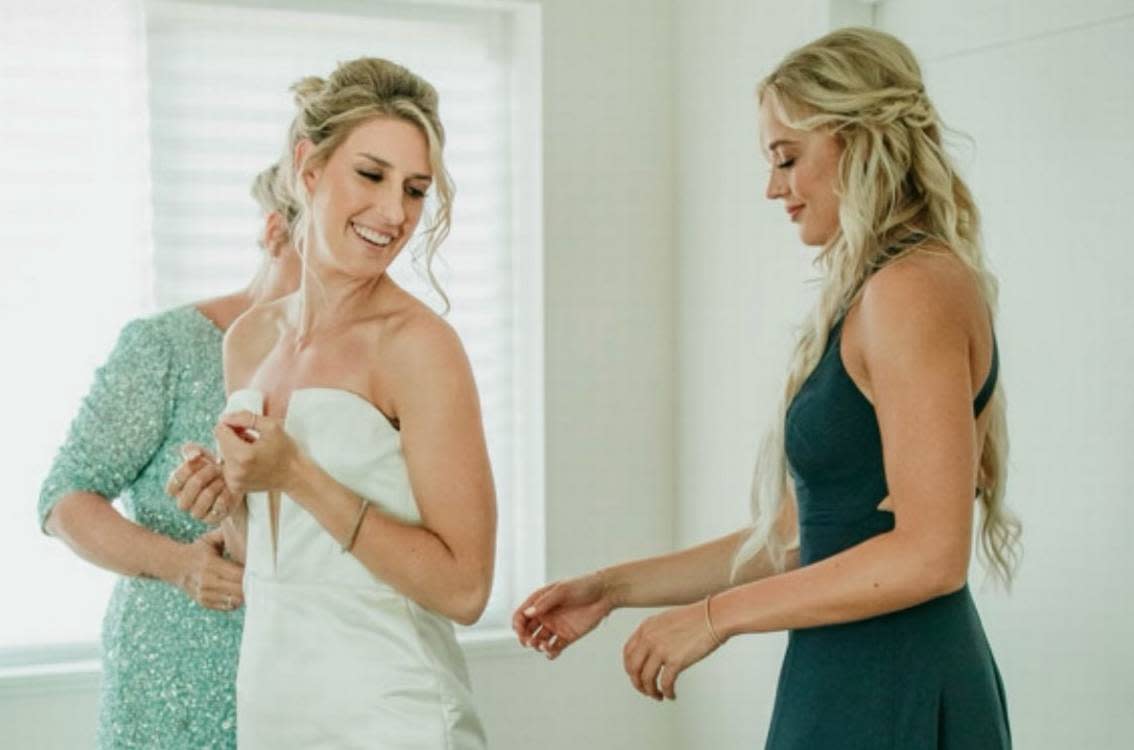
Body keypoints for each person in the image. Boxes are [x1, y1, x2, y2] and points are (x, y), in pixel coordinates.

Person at [513, 27, 1020, 749]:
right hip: (839, 677)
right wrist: (614, 587)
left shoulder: (913, 288)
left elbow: (932, 554)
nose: (773, 186)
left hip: (896, 680)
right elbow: (792, 538)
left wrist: (717, 616)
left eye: (787, 158)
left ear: (858, 139)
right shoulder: (874, 290)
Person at [172, 58, 496, 749]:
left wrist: (298, 476)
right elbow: (272, 559)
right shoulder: (249, 339)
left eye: (415, 190)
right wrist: (224, 497)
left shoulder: (420, 347)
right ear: (308, 167)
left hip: (391, 711)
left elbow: (465, 589)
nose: (395, 214)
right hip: (274, 703)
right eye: (372, 176)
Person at [37, 161, 302, 749]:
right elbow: (64, 499)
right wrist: (181, 564)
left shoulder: (366, 364)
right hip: (173, 683)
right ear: (276, 230)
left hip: (308, 678)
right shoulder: (168, 346)